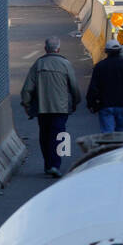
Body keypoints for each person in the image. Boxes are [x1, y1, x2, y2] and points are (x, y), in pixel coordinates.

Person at [20, 37, 82, 178]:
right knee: (60, 135)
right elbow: (74, 87)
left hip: (43, 108)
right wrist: (75, 102)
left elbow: (27, 88)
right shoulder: (65, 64)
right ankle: (56, 164)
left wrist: (26, 104)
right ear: (58, 49)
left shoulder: (38, 64)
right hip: (61, 108)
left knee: (45, 135)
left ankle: (48, 164)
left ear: (45, 49)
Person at [86, 40, 123, 132]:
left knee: (107, 134)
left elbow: (93, 87)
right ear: (120, 51)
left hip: (106, 105)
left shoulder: (100, 66)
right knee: (121, 133)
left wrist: (91, 104)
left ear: (106, 51)